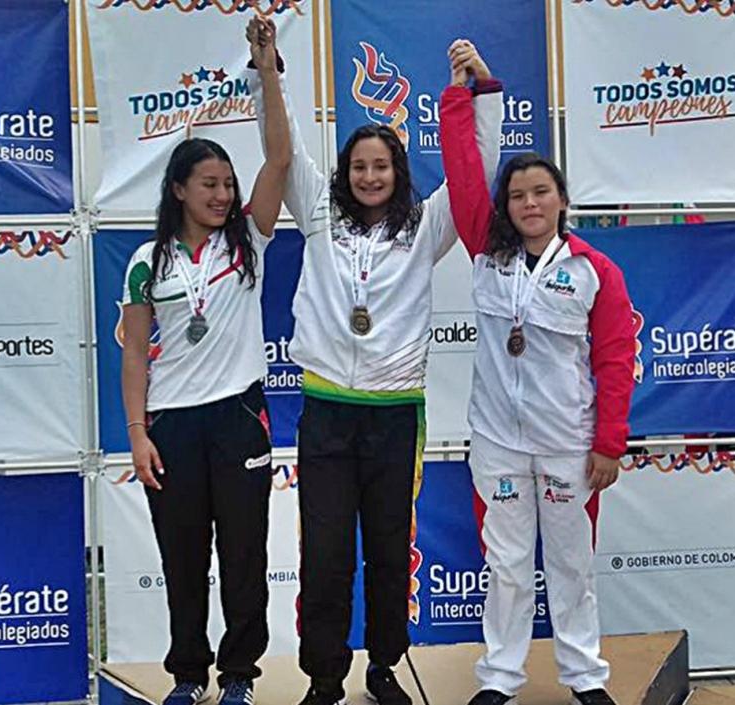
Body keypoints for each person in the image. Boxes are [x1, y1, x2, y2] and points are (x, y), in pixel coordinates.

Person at [251, 28, 505, 705]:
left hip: (396, 418)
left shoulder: (425, 227)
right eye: (359, 165)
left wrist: (479, 91)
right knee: (327, 554)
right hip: (328, 413)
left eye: (381, 166)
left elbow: (475, 172)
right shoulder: (317, 216)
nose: (369, 176)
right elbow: (282, 148)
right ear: (344, 172)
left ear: (398, 172)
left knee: (391, 551)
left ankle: (386, 667)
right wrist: (267, 75)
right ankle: (325, 676)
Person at [441, 46, 636, 705]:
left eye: (540, 191)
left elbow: (615, 361)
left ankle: (585, 677)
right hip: (498, 440)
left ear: (561, 199)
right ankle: (499, 678)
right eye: (518, 194)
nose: (528, 201)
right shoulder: (485, 254)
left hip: (567, 445)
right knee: (507, 566)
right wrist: (463, 93)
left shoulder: (593, 271)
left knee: (572, 565)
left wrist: (609, 442)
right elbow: (466, 174)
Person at [119, 19, 290, 705]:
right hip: (172, 427)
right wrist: (137, 434)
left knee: (244, 557)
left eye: (227, 183)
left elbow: (276, 160)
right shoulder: (144, 263)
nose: (223, 194)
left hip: (238, 418)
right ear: (180, 189)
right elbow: (135, 353)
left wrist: (266, 69)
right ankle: (188, 677)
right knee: (183, 559)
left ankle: (240, 677)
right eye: (210, 184)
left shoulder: (248, 239)